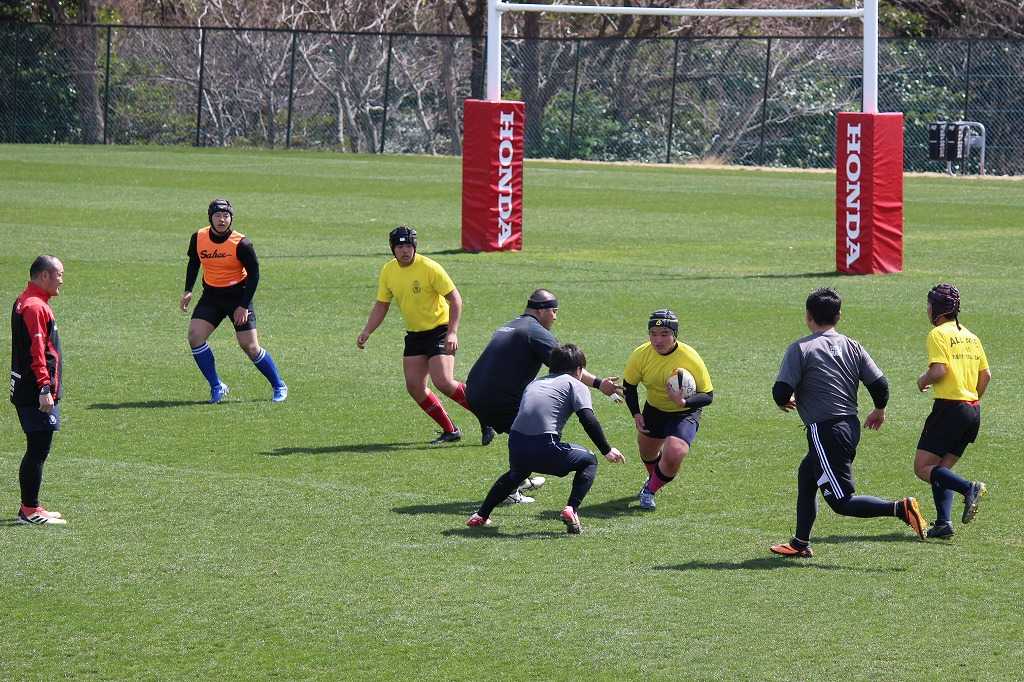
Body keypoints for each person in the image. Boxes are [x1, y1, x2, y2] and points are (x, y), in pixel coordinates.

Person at [770, 287, 927, 558]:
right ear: (839, 315)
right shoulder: (853, 346)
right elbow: (880, 384)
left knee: (842, 502)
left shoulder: (801, 348)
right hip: (849, 427)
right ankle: (800, 542)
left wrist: (785, 400)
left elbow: (781, 391)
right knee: (807, 476)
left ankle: (900, 508)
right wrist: (879, 409)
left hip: (825, 431)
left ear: (808, 316)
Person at [465, 289, 622, 503]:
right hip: (498, 399)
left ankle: (519, 479)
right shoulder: (535, 331)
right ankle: (512, 488)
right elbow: (568, 366)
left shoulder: (512, 324)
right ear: (541, 310)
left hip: (474, 394)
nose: (555, 317)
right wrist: (599, 383)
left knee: (524, 436)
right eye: (554, 311)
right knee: (535, 436)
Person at [466, 344, 625, 533]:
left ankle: (481, 515)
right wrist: (607, 450)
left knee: (517, 474)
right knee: (589, 460)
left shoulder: (535, 383)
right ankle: (571, 509)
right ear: (579, 370)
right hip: (544, 444)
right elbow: (588, 419)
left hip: (516, 442)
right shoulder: (576, 384)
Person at [357, 226, 474, 445]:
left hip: (439, 330)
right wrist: (367, 331)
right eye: (400, 247)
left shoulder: (429, 267)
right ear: (393, 249)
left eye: (409, 246)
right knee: (414, 387)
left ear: (415, 247)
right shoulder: (388, 271)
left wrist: (452, 333)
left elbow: (455, 299)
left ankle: (487, 414)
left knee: (443, 381)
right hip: (415, 335)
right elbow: (382, 304)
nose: (405, 251)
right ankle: (450, 430)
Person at [180, 199, 287, 403]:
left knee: (250, 346)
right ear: (210, 217)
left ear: (231, 218)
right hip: (212, 296)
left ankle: (279, 385)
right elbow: (194, 262)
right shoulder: (199, 237)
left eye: (226, 216)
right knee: (195, 336)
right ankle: (217, 386)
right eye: (217, 215)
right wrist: (188, 290)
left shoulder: (242, 243)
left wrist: (243, 306)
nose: (222, 219)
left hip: (238, 297)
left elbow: (254, 274)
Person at [912, 283, 991, 539]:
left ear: (936, 309)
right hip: (972, 411)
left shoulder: (938, 334)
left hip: (949, 408)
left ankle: (969, 488)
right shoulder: (971, 336)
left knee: (923, 467)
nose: (927, 310)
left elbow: (939, 371)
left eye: (928, 305)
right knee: (941, 470)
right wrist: (970, 401)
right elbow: (986, 376)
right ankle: (944, 523)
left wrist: (922, 380)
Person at [622, 309, 714, 511]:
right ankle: (654, 478)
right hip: (654, 409)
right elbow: (629, 386)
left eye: (664, 334)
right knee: (647, 451)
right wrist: (636, 413)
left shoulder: (690, 357)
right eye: (653, 334)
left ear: (675, 335)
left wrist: (684, 402)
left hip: (685, 412)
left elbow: (708, 396)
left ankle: (650, 491)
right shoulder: (641, 354)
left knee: (674, 453)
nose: (658, 340)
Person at [10, 256, 67, 525]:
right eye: (59, 275)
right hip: (36, 390)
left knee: (38, 447)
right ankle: (29, 510)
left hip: (29, 387)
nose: (61, 280)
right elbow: (38, 352)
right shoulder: (34, 306)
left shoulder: (27, 300)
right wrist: (45, 387)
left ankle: (31, 506)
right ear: (44, 275)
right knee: (38, 448)